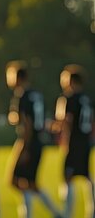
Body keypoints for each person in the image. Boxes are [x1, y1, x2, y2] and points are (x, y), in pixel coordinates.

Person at [6, 61, 61, 218]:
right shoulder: (37, 94)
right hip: (38, 140)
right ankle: (55, 213)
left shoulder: (21, 95)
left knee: (16, 180)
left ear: (17, 77)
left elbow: (28, 123)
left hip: (28, 141)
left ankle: (50, 213)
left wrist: (24, 146)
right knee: (29, 183)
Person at [54, 64, 94, 218]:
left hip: (74, 141)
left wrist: (61, 134)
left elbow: (67, 120)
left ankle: (67, 212)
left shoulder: (69, 98)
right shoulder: (86, 98)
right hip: (85, 140)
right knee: (86, 176)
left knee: (67, 176)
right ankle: (91, 211)